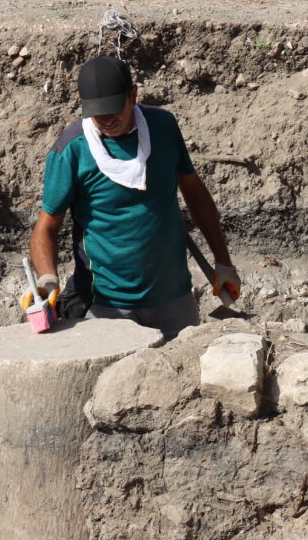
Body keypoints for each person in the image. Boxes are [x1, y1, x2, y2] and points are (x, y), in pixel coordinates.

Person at [28, 54, 240, 339]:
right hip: (106, 307)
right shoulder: (72, 149)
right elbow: (46, 226)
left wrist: (223, 263)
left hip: (174, 300)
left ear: (133, 95)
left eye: (113, 109)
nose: (105, 120)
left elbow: (194, 192)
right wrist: (47, 279)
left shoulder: (163, 127)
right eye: (97, 112)